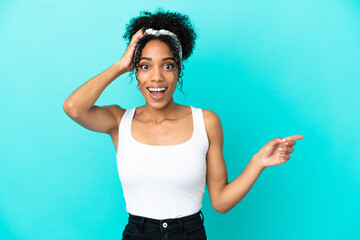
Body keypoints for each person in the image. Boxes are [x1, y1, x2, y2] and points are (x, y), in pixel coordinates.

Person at [63, 9, 304, 240]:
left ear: (178, 71)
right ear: (135, 72)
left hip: (189, 233)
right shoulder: (118, 121)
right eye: (145, 66)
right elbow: (73, 107)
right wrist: (120, 65)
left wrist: (257, 162)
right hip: (138, 233)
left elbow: (220, 202)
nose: (156, 77)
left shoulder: (206, 122)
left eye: (167, 65)